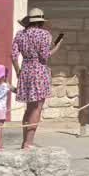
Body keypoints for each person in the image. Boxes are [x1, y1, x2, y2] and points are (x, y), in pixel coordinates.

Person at [11, 8, 63, 148]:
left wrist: (18, 72)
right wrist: (57, 46)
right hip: (39, 71)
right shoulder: (44, 34)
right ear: (41, 21)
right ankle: (29, 142)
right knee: (37, 108)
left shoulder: (20, 34)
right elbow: (45, 56)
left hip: (26, 70)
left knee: (28, 108)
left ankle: (25, 141)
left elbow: (14, 56)